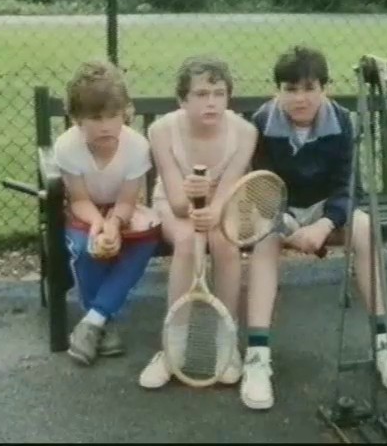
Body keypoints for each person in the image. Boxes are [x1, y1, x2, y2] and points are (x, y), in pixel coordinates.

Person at [241, 45, 387, 410]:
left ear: (324, 89)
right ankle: (256, 356)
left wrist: (324, 225)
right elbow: (260, 186)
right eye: (290, 89)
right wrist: (285, 224)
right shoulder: (261, 121)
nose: (300, 98)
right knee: (264, 240)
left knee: (364, 228)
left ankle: (384, 343)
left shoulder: (344, 121)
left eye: (309, 88)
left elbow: (348, 187)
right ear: (276, 91)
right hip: (281, 210)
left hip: (325, 210)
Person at [138, 56, 258, 389]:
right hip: (174, 204)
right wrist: (192, 199)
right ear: (182, 100)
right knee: (188, 241)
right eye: (201, 94)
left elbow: (229, 188)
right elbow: (178, 204)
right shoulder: (161, 130)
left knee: (225, 244)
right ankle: (171, 349)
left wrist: (214, 210)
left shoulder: (245, 132)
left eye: (219, 94)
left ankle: (227, 345)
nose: (211, 102)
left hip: (224, 204)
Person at [54, 59, 159, 366]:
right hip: (86, 212)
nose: (106, 126)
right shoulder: (67, 147)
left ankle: (93, 320)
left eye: (113, 115)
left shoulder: (136, 146)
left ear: (125, 112)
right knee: (88, 248)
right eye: (95, 118)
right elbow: (78, 200)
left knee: (147, 239)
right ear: (76, 119)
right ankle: (106, 322)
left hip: (122, 210)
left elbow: (128, 201)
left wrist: (114, 223)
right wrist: (99, 224)